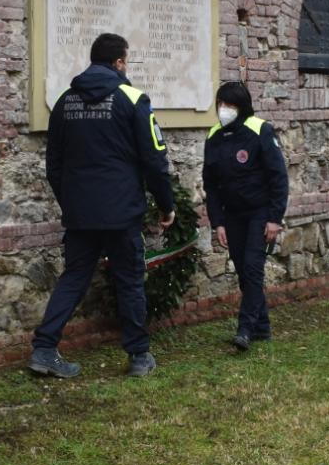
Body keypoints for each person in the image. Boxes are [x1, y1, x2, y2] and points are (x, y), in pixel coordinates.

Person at [28, 32, 176, 379]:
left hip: (80, 212)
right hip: (121, 211)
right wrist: (166, 205)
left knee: (74, 277)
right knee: (129, 279)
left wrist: (73, 202)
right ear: (119, 62)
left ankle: (44, 349)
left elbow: (54, 164)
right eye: (127, 61)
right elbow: (154, 159)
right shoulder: (133, 99)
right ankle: (139, 356)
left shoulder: (65, 101)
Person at [202, 80, 289, 350]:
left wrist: (275, 218)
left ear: (242, 107)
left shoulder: (260, 130)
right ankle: (262, 326)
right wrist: (218, 222)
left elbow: (279, 178)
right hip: (233, 214)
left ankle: (245, 329)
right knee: (243, 271)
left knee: (252, 268)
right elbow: (211, 185)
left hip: (260, 212)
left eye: (229, 105)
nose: (224, 110)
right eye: (220, 104)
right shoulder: (214, 135)